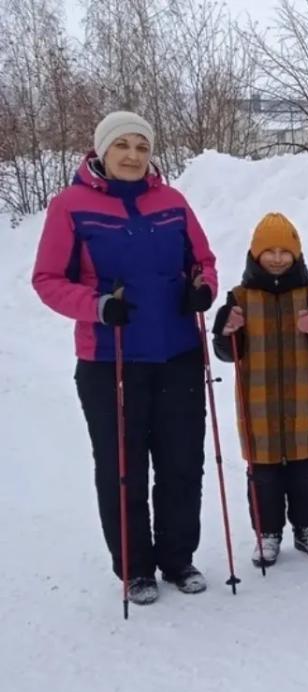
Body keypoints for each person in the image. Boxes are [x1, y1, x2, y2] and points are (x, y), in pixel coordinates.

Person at [32, 111, 217, 605]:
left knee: (181, 462)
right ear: (102, 151)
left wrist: (203, 289)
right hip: (109, 359)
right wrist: (96, 306)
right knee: (122, 466)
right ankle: (135, 567)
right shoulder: (71, 205)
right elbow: (48, 279)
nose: (133, 155)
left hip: (178, 353)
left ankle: (178, 557)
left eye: (141, 146)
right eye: (123, 146)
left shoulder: (171, 201)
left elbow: (202, 260)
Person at [211, 213, 308, 567]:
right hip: (258, 402)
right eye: (270, 251)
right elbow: (225, 353)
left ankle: (306, 528)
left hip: (303, 398)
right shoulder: (239, 297)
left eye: (286, 250)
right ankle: (267, 533)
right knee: (263, 474)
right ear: (255, 254)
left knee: (306, 469)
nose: (278, 257)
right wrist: (227, 330)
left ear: (297, 254)